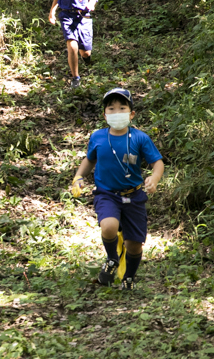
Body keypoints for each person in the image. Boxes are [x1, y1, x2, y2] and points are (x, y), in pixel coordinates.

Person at [71, 88, 164, 290]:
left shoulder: (140, 138)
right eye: (111, 109)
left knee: (134, 245)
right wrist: (79, 176)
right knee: (109, 226)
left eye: (122, 108)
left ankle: (128, 278)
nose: (116, 112)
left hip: (134, 196)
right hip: (107, 195)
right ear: (105, 115)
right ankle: (112, 258)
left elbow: (157, 162)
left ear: (131, 114)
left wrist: (154, 178)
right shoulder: (98, 137)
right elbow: (89, 160)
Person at [49, 0, 99, 89]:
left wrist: (91, 3)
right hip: (67, 16)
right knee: (72, 45)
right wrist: (52, 13)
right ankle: (75, 77)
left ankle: (86, 59)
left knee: (85, 53)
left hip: (84, 17)